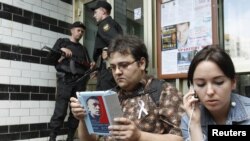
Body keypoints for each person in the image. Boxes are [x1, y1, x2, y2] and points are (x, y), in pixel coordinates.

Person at [70, 35, 184, 141]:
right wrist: (83, 119)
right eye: (113, 67)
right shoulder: (109, 95)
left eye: (124, 65)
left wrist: (140, 136)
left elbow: (182, 137)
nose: (117, 72)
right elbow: (91, 139)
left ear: (142, 63)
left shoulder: (164, 92)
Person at [181, 45, 250, 141]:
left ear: (233, 82)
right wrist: (195, 124)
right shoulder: (188, 120)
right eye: (201, 84)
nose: (210, 92)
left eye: (219, 82)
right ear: (192, 88)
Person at [48, 21, 92, 141]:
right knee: (60, 110)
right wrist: (61, 49)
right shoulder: (62, 42)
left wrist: (91, 67)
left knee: (75, 112)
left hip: (80, 82)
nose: (81, 33)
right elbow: (51, 59)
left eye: (82, 31)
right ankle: (52, 137)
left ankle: (70, 137)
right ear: (71, 30)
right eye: (78, 30)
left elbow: (87, 66)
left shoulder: (83, 49)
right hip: (65, 80)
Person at [91, 0, 123, 90]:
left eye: (96, 12)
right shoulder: (113, 23)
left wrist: (108, 51)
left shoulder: (105, 24)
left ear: (103, 11)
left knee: (105, 96)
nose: (94, 15)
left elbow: (118, 41)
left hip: (108, 67)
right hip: (106, 67)